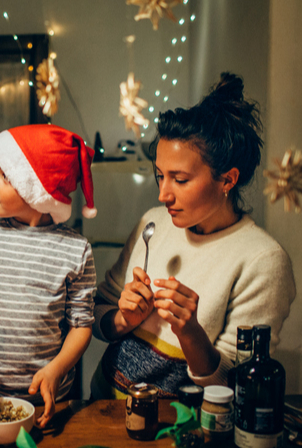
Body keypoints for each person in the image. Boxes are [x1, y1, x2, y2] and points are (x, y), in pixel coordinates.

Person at [90, 72, 296, 399]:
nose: (163, 195)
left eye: (180, 180)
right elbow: (98, 313)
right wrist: (123, 318)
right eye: (160, 176)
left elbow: (236, 386)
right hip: (104, 405)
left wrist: (190, 333)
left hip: (178, 427)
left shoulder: (263, 261)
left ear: (227, 180)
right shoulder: (152, 223)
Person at [0, 124, 98, 427]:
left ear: (36, 188)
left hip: (46, 402)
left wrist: (56, 370)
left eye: (4, 176)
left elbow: (81, 325)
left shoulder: (76, 249)